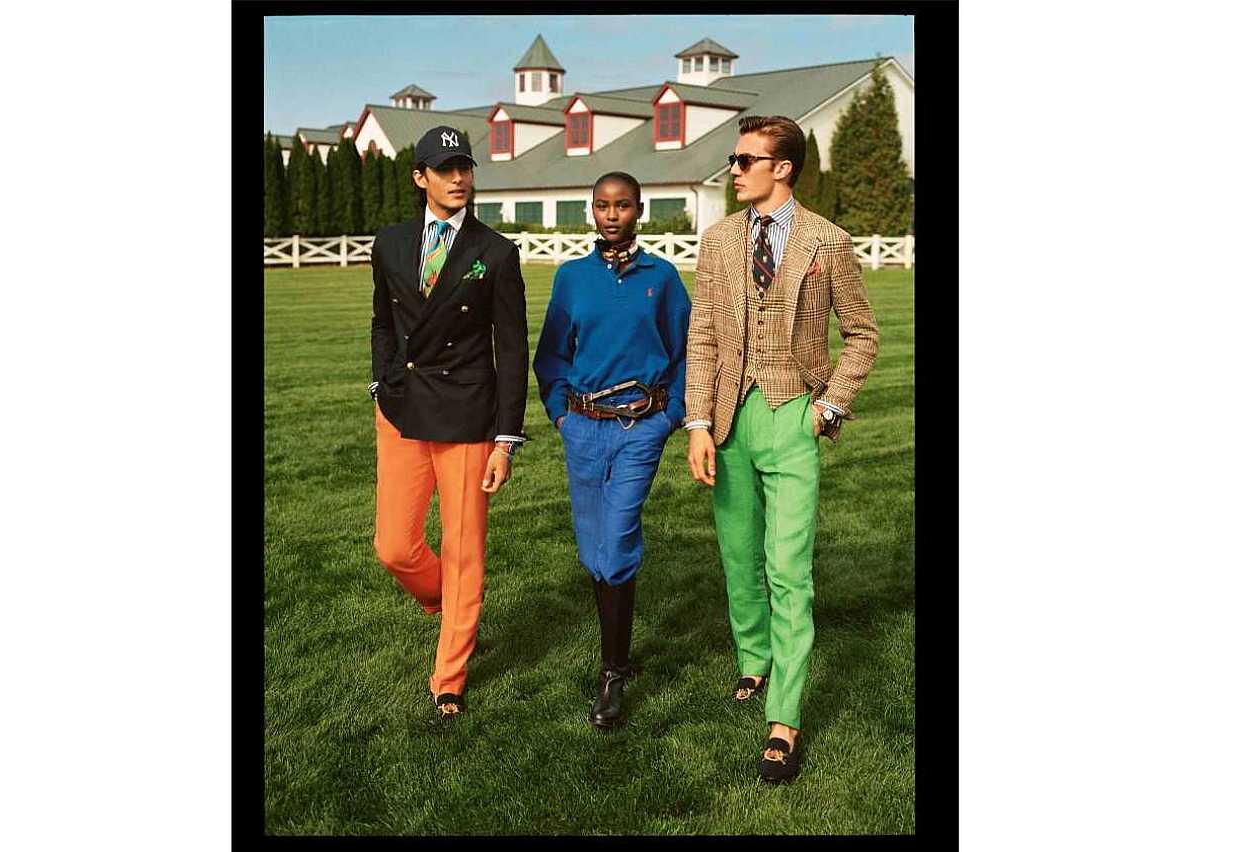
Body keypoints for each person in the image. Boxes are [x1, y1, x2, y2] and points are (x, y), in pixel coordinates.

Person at [684, 116, 880, 782]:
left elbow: (862, 334)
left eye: (745, 160)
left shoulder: (828, 241)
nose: (734, 170)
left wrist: (830, 405)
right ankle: (753, 656)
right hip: (729, 418)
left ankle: (784, 718)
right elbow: (703, 337)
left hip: (795, 413)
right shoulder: (718, 240)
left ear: (782, 168)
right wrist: (698, 423)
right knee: (739, 555)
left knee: (788, 568)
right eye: (735, 160)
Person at [368, 125, 529, 720]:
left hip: (467, 414)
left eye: (464, 166)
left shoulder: (496, 252)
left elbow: (512, 349)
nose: (458, 177)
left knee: (463, 551)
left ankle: (450, 677)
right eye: (444, 169)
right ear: (421, 178)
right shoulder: (390, 243)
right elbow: (383, 322)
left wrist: (505, 439)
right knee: (394, 545)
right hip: (402, 410)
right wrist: (381, 381)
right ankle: (450, 603)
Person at [533, 171, 691, 727]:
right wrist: (560, 414)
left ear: (639, 210)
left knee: (618, 534)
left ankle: (612, 675)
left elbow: (686, 351)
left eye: (622, 205)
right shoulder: (572, 278)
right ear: (591, 211)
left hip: (640, 428)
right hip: (583, 426)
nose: (612, 215)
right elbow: (551, 354)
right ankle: (617, 656)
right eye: (602, 205)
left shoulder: (662, 277)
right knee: (593, 547)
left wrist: (670, 415)